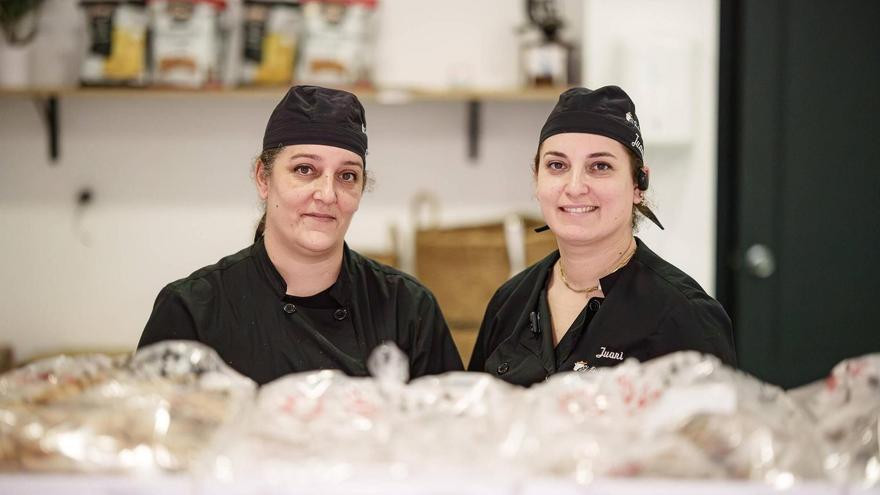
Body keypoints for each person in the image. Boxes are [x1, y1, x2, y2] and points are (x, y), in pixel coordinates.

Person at [139, 85, 463, 385]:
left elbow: (455, 437)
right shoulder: (193, 311)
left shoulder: (407, 310)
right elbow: (151, 436)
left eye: (347, 175)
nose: (327, 194)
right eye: (304, 170)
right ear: (263, 178)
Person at [468, 86, 736, 387]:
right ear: (536, 180)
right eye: (557, 165)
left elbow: (714, 432)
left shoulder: (685, 316)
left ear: (638, 184)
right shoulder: (510, 302)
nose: (575, 186)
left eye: (600, 166)